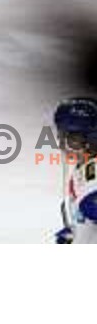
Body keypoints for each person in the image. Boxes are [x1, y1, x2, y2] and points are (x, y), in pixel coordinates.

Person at [54, 97, 97, 244]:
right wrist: (74, 235)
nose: (62, 145)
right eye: (60, 136)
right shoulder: (81, 170)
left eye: (72, 139)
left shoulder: (94, 171)